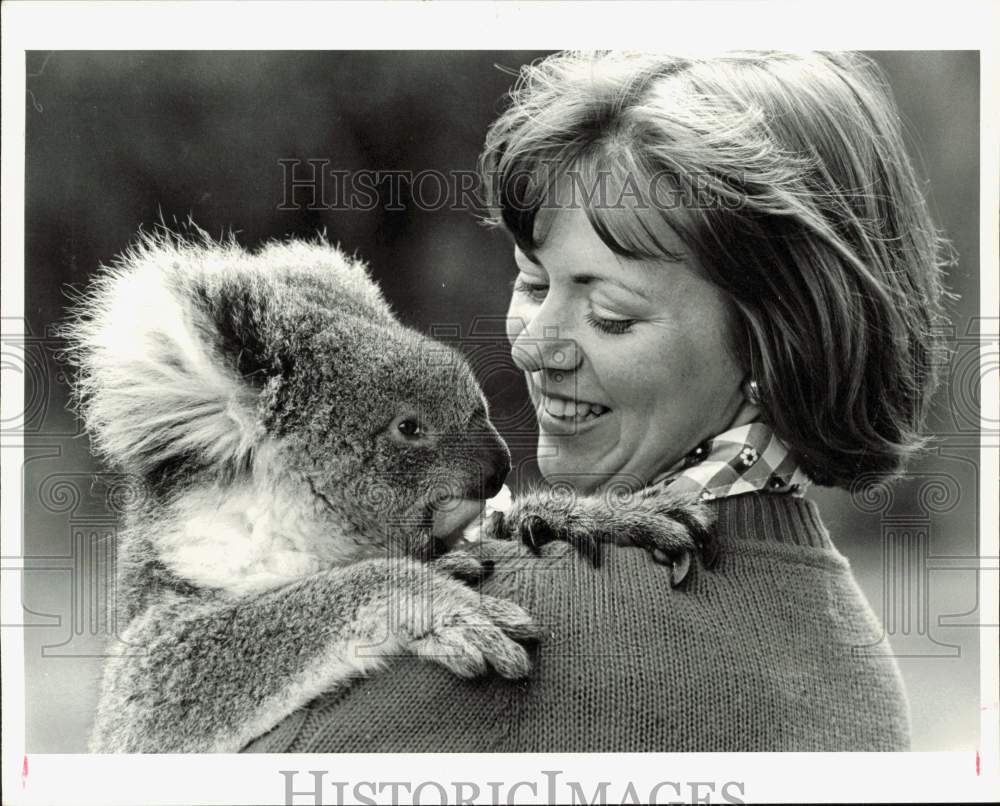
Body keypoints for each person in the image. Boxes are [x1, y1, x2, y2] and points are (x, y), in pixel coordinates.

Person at [245, 50, 949, 752]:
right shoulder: (854, 652)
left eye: (610, 314)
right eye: (530, 282)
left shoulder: (500, 623)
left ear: (777, 342)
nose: (532, 345)